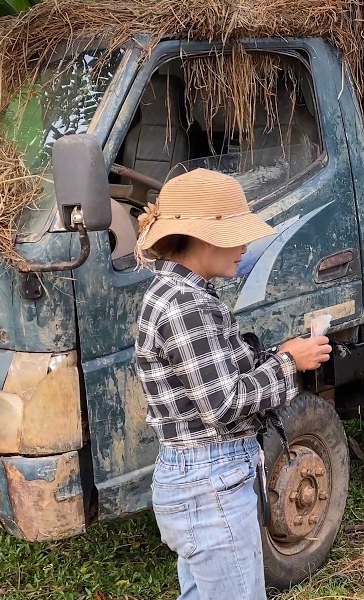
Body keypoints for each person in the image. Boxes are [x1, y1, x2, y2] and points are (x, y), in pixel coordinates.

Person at [133, 168, 332, 600]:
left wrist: (278, 355)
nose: (245, 245)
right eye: (237, 234)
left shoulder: (174, 293)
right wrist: (287, 363)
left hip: (198, 480)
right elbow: (224, 404)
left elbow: (215, 378)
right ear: (203, 237)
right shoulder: (186, 305)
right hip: (210, 484)